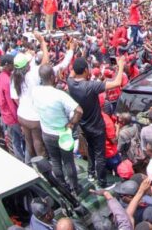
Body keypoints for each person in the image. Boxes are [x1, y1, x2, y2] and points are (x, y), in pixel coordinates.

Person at [66, 55, 126, 188]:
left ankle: (91, 174)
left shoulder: (70, 82)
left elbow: (72, 72)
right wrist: (121, 65)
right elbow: (117, 83)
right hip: (97, 127)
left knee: (91, 149)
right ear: (86, 70)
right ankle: (102, 182)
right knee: (100, 155)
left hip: (84, 125)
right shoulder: (91, 86)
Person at [32, 64, 83, 194]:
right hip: (63, 134)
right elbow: (79, 111)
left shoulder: (35, 91)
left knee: (55, 161)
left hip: (47, 133)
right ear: (52, 77)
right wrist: (71, 124)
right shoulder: (60, 95)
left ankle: (62, 186)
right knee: (68, 162)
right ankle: (75, 188)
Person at [0, 54, 26, 162]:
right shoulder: (7, 81)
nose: (13, 66)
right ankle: (26, 163)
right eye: (12, 64)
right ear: (6, 65)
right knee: (25, 139)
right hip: (12, 117)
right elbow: (11, 103)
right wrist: (19, 121)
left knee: (15, 141)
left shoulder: (1, 77)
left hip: (6, 116)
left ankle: (21, 161)